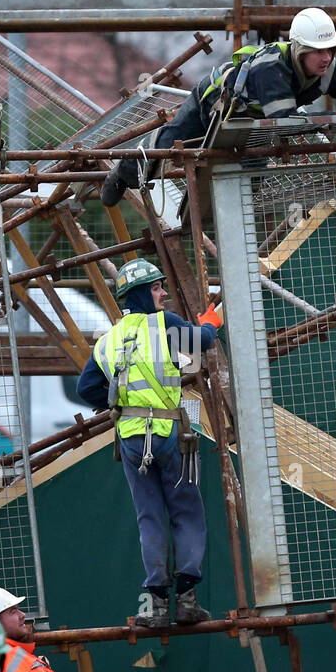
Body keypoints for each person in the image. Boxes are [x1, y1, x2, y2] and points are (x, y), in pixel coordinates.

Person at [102, 7, 336, 207]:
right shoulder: (271, 68)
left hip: (254, 124)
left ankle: (229, 221)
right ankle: (123, 174)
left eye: (329, 50)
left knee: (250, 178)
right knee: (170, 143)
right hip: (215, 104)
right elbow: (285, 122)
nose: (326, 57)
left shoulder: (333, 69)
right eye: (317, 51)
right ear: (299, 49)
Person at [76, 259, 222, 627]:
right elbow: (203, 341)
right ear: (142, 293)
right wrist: (210, 322)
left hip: (130, 439)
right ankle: (187, 601)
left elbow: (86, 388)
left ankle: (156, 608)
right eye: (157, 288)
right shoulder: (165, 324)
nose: (163, 294)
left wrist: (118, 399)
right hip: (170, 435)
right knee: (186, 512)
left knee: (149, 517)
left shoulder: (108, 339)